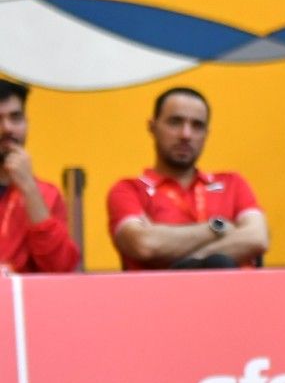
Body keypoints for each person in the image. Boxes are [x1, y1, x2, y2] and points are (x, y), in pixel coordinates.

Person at [107, 87, 269, 270]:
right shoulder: (128, 190)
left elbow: (258, 237)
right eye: (175, 122)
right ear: (152, 127)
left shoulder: (232, 183)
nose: (186, 134)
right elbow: (143, 244)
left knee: (220, 263)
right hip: (163, 290)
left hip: (236, 288)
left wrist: (190, 263)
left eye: (197, 125)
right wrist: (218, 228)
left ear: (206, 134)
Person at [0, 79, 80, 274]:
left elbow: (60, 269)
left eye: (16, 117)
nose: (7, 128)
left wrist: (29, 189)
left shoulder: (45, 194)